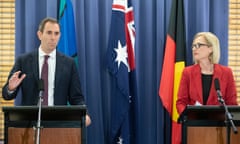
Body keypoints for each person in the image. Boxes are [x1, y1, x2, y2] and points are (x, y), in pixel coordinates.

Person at [2, 17, 91, 126]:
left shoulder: (69, 63)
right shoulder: (23, 61)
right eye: (49, 33)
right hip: (29, 123)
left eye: (56, 33)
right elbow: (6, 95)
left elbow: (76, 97)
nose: (53, 38)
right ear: (40, 35)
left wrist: (84, 114)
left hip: (58, 123)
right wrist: (11, 88)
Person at [176, 32, 238, 115]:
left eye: (198, 45)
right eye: (193, 46)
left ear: (211, 48)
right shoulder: (188, 72)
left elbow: (232, 103)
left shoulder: (226, 73)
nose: (194, 49)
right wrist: (188, 117)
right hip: (194, 124)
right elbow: (181, 102)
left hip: (218, 125)